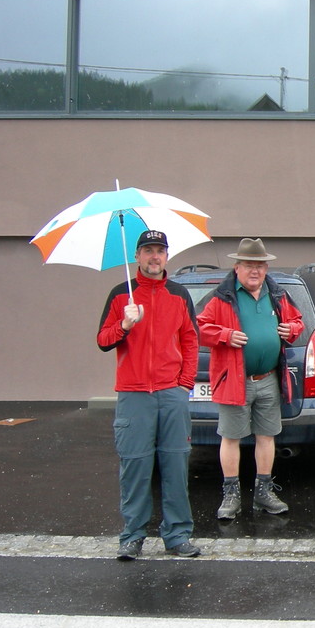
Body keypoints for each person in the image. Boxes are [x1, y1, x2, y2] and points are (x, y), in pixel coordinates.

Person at [97, 229, 201, 560]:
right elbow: (103, 340)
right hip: (134, 394)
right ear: (137, 257)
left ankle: (177, 535)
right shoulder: (120, 296)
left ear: (166, 256)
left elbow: (191, 340)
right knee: (135, 466)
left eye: (160, 250)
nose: (154, 256)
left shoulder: (179, 294)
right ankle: (132, 536)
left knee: (175, 464)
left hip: (171, 393)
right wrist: (124, 325)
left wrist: (184, 385)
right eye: (148, 251)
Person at [197, 238, 304, 520]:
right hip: (234, 378)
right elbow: (200, 329)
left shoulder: (277, 294)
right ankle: (231, 495)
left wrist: (291, 329)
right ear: (237, 267)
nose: (254, 270)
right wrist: (225, 336)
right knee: (231, 437)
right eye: (248, 265)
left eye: (259, 265)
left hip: (268, 378)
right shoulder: (222, 297)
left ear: (266, 268)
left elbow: (298, 322)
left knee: (267, 436)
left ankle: (263, 492)